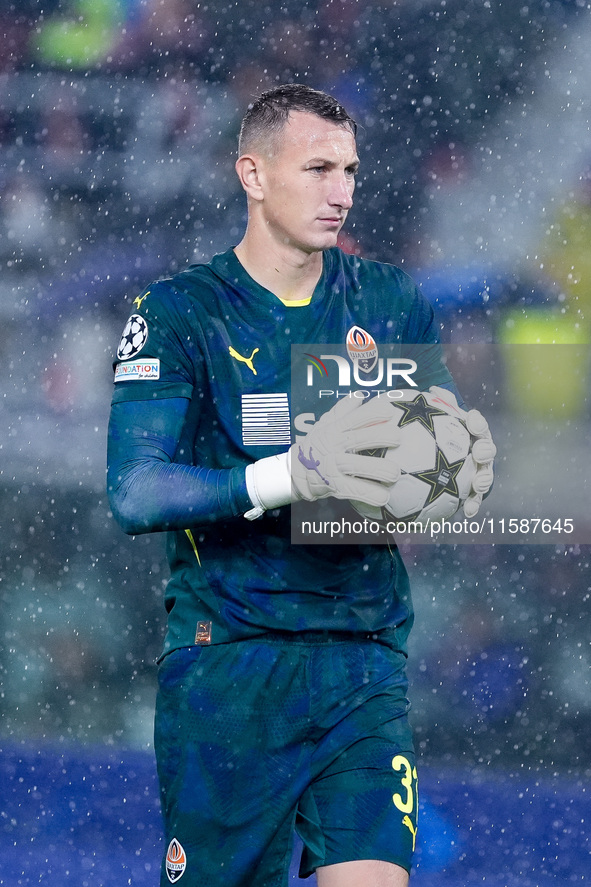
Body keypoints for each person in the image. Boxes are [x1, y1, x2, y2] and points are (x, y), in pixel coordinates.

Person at [107, 84, 495, 887]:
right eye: (317, 167)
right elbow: (136, 491)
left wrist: (459, 474)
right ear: (250, 173)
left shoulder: (387, 301)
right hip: (232, 666)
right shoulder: (182, 311)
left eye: (350, 169)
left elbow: (429, 466)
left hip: (362, 660)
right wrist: (294, 472)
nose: (341, 190)